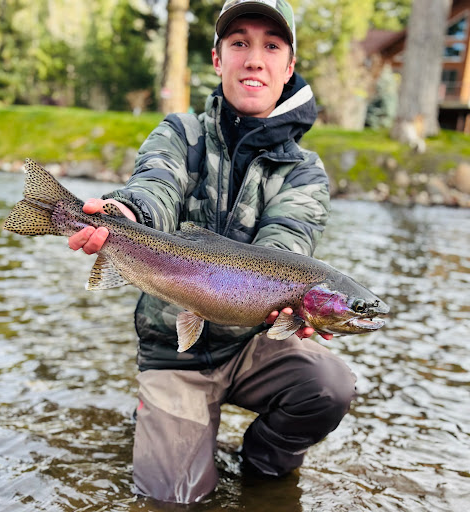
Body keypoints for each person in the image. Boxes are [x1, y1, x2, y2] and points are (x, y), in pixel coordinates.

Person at [69, 0, 356, 504]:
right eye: (240, 42)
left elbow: (285, 248)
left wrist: (289, 305)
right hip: (173, 352)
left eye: (271, 46)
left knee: (329, 382)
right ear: (218, 58)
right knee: (173, 501)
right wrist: (128, 212)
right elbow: (155, 186)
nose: (254, 59)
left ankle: (262, 471)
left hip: (252, 343)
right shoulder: (180, 134)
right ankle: (161, 415)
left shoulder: (304, 172)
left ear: (289, 67)